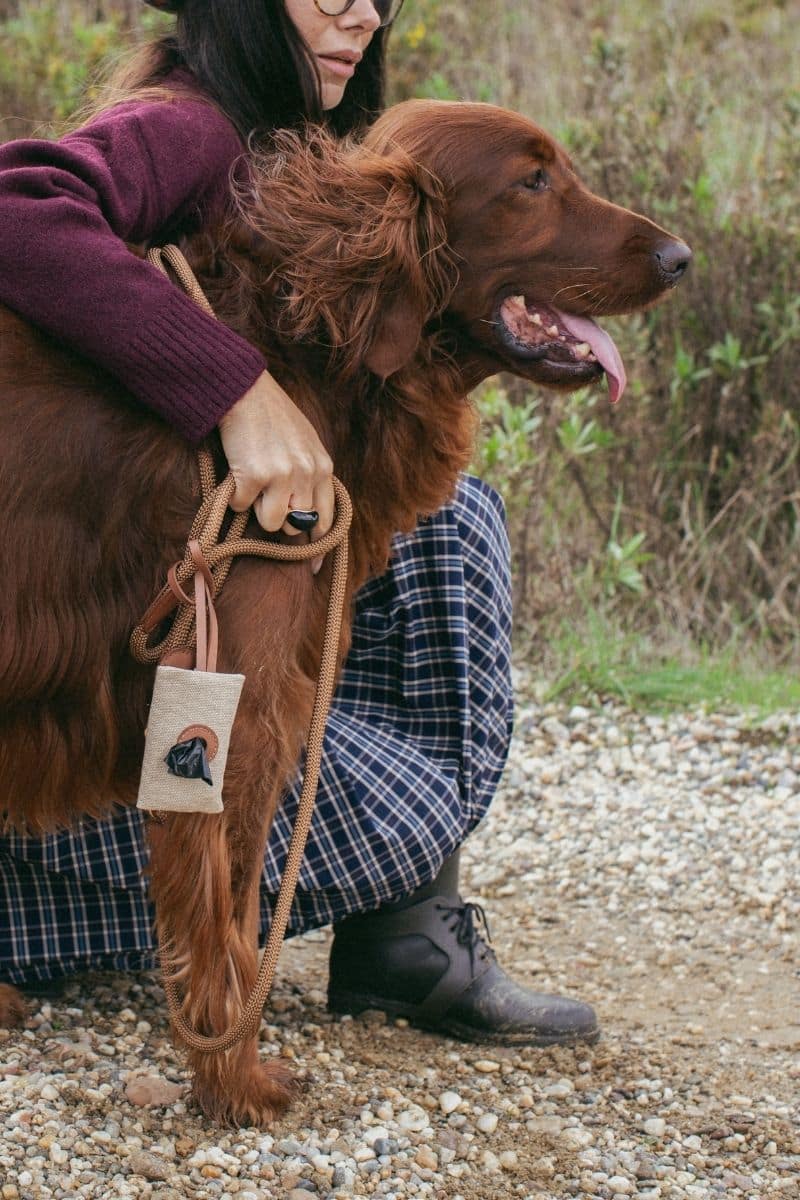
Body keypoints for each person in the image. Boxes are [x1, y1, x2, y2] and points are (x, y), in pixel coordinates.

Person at [0, 0, 598, 1046]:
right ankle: (53, 920)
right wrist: (233, 389)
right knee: (408, 812)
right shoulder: (193, 129)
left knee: (449, 518)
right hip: (72, 749)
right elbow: (15, 201)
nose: (359, 9)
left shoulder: (293, 149)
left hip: (153, 660)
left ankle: (401, 937)